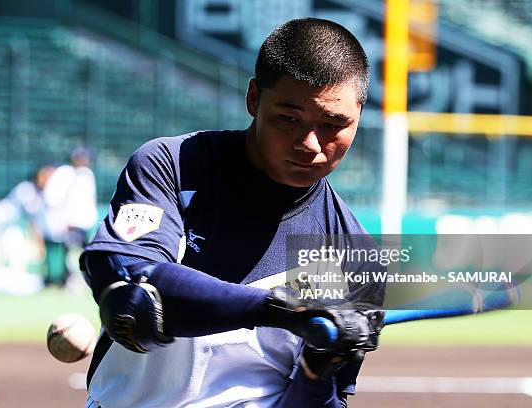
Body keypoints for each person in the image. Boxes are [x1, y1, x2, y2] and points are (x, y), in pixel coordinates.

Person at [80, 18, 385, 408]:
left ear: (358, 115)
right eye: (289, 119)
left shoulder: (356, 259)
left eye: (333, 124)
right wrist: (281, 311)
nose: (311, 144)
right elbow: (132, 291)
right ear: (254, 98)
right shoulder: (172, 165)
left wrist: (320, 366)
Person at [43, 147, 98, 286]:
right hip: (70, 223)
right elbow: (53, 198)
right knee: (72, 254)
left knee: (82, 254)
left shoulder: (87, 174)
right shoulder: (65, 173)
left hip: (84, 223)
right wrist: (61, 219)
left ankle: (81, 282)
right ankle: (68, 282)